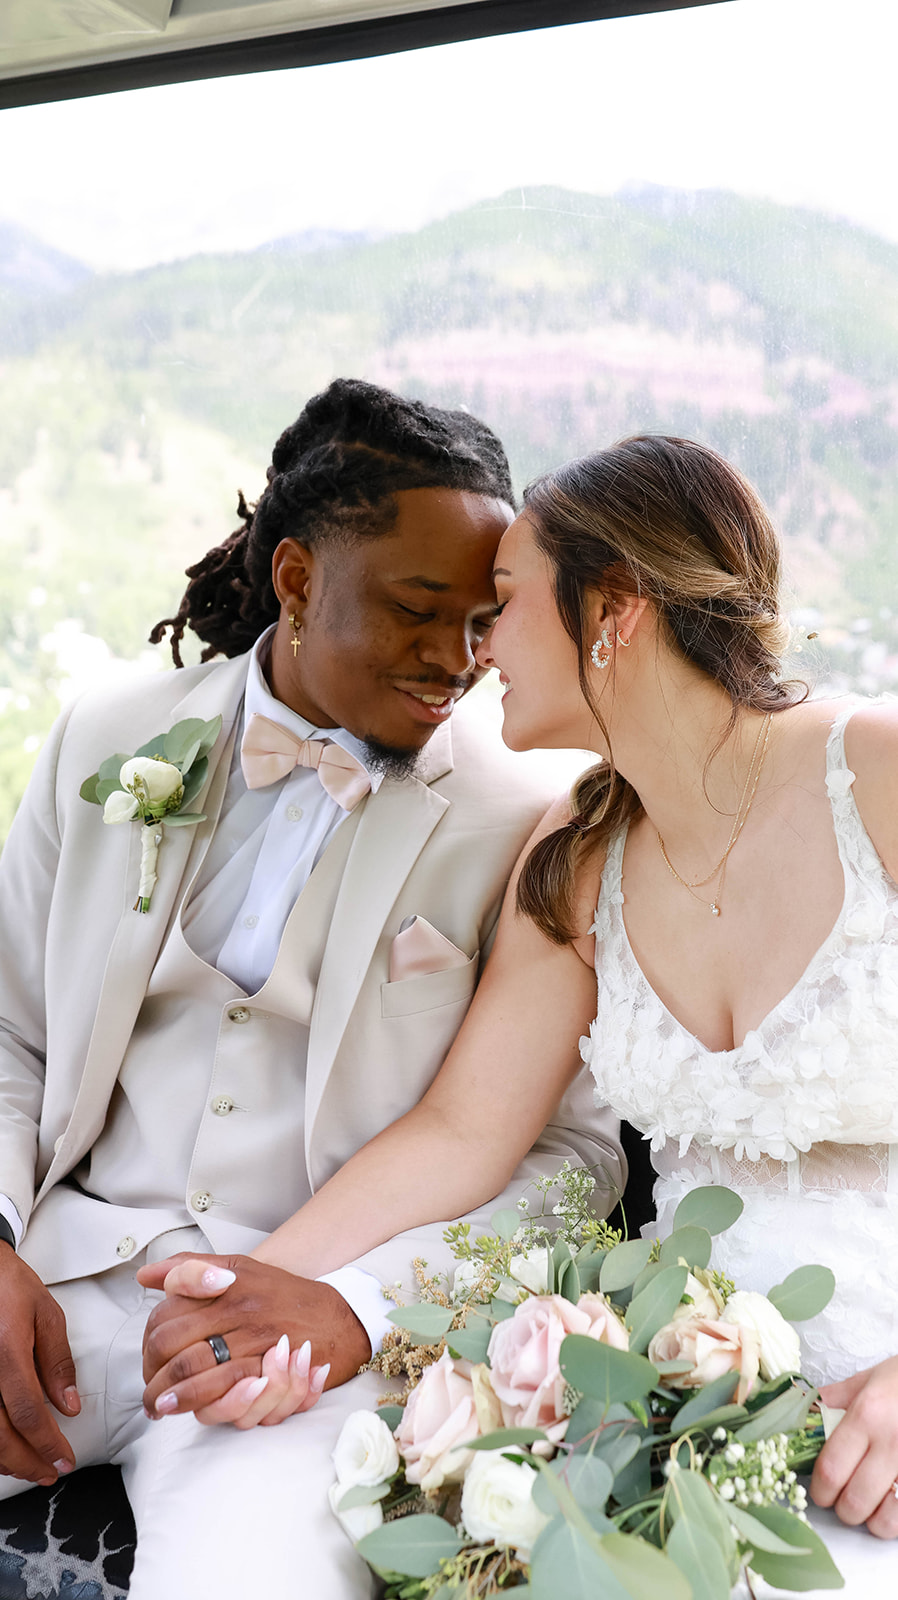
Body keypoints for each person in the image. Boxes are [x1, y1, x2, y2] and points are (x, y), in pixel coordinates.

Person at [157, 433, 898, 1590]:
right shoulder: (578, 850)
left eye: (502, 604)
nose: (478, 644)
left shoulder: (881, 773)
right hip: (666, 1412)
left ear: (614, 607)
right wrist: (262, 1288)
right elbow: (465, 1128)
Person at [0, 378, 624, 1600]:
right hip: (65, 1290)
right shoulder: (105, 735)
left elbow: (572, 1161)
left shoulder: (522, 820)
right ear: (294, 580)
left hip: (295, 1366)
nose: (457, 660)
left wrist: (355, 1303)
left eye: (481, 619)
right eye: (415, 608)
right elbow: (7, 1026)